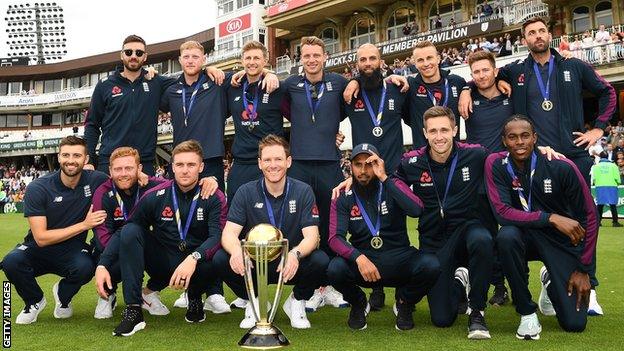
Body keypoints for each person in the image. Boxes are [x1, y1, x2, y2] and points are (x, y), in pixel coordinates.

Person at [459, 17, 616, 313]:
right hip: (531, 160)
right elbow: (484, 75)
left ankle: (589, 284)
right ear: (524, 39)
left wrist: (599, 128)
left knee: (581, 218)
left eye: (542, 30)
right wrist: (466, 89)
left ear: (549, 35)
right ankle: (544, 279)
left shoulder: (574, 65)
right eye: (531, 32)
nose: (537, 36)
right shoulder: (516, 70)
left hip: (571, 156)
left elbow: (607, 92)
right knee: (531, 222)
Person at [485, 115, 597, 339]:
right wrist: (551, 218)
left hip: (558, 241)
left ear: (535, 138)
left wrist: (584, 269)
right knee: (506, 237)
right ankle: (526, 311)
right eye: (513, 137)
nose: (519, 142)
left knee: (574, 324)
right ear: (504, 141)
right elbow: (502, 213)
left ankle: (550, 281)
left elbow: (590, 217)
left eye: (525, 136)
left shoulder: (561, 166)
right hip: (522, 237)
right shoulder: (496, 164)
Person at [392, 106, 494, 339]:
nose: (439, 137)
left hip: (466, 229)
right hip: (433, 239)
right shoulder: (411, 161)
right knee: (442, 319)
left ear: (455, 130)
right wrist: (350, 183)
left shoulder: (476, 154)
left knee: (482, 238)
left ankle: (477, 312)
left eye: (444, 130)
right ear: (425, 133)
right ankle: (459, 281)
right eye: (433, 131)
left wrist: (542, 150)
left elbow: (506, 160)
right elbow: (392, 180)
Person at [111, 140, 227, 336]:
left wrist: (193, 258)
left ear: (201, 167)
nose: (185, 170)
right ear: (172, 166)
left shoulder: (213, 196)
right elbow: (127, 229)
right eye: (179, 165)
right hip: (164, 262)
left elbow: (217, 235)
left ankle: (195, 295)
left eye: (191, 165)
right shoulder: (156, 195)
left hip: (197, 265)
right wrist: (103, 264)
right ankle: (133, 309)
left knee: (218, 257)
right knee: (131, 230)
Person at [214, 135, 329, 329]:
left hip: (289, 263)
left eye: (278, 159)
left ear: (288, 161)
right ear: (259, 163)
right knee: (220, 259)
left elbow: (312, 236)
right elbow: (229, 234)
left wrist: (295, 254)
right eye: (267, 160)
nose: (273, 165)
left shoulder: (303, 191)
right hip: (254, 263)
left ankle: (296, 301)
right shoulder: (245, 191)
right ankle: (256, 300)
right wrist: (237, 252)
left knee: (320, 260)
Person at [327, 143, 440, 330]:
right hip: (364, 263)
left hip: (398, 259)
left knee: (431, 265)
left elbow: (417, 209)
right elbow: (334, 238)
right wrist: (359, 257)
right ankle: (358, 303)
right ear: (350, 166)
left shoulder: (392, 184)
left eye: (369, 164)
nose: (363, 170)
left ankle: (404, 302)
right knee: (335, 269)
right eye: (358, 164)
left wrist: (384, 178)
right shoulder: (343, 195)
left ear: (379, 164)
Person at [2, 136, 108, 324]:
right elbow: (41, 238)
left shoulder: (96, 180)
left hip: (73, 249)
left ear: (86, 159)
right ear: (58, 157)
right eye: (65, 155)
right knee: (11, 261)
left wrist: (143, 177)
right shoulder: (38, 187)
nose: (70, 160)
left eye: (77, 155)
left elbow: (124, 179)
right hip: (38, 248)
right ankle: (34, 301)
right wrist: (85, 225)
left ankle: (63, 296)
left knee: (85, 267)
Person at [85, 35, 224, 175]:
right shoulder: (104, 85)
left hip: (144, 162)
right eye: (128, 52)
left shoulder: (156, 82)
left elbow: (189, 77)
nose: (133, 56)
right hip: (110, 161)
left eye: (138, 53)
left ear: (145, 57)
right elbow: (92, 124)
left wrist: (207, 69)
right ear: (122, 55)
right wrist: (89, 160)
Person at [281, 36, 349, 310]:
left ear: (325, 57)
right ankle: (307, 286)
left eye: (316, 55)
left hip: (329, 164)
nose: (311, 60)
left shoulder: (339, 83)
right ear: (300, 59)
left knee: (331, 225)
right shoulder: (289, 85)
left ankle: (329, 285)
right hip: (299, 165)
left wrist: (335, 133)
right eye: (306, 55)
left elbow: (345, 108)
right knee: (302, 226)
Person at [344, 43, 409, 309]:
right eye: (363, 59)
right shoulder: (349, 94)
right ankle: (377, 287)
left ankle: (403, 291)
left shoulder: (397, 88)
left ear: (381, 61)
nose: (368, 62)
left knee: (398, 231)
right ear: (357, 64)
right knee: (373, 227)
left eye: (372, 58)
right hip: (364, 174)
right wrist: (353, 82)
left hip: (393, 173)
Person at [91, 147, 171, 319]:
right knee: (105, 258)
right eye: (118, 169)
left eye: (129, 168)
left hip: (144, 247)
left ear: (139, 169)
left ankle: (148, 293)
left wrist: (207, 181)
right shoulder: (102, 193)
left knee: (172, 260)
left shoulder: (152, 186)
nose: (123, 173)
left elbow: (179, 185)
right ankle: (107, 295)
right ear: (110, 171)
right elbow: (101, 236)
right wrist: (130, 251)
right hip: (112, 252)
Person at [225, 40, 285, 203]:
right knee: (236, 213)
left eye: (257, 58)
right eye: (248, 58)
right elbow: (206, 72)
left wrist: (270, 74)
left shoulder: (277, 87)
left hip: (269, 164)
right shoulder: (232, 86)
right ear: (242, 61)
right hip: (241, 164)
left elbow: (301, 114)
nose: (252, 62)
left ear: (265, 61)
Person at [591, 151, 622, 227]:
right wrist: (618, 183)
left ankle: (598, 222)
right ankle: (615, 222)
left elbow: (594, 179)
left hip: (600, 186)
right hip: (611, 186)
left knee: (600, 205)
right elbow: (617, 178)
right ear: (608, 156)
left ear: (600, 157)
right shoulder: (613, 166)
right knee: (612, 204)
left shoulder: (596, 166)